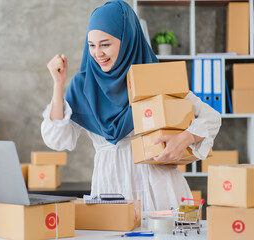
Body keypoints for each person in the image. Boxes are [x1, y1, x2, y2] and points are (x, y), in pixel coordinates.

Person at [41, 0, 221, 212]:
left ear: (127, 40)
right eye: (91, 45)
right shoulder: (83, 85)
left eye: (105, 44)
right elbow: (57, 140)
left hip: (159, 187)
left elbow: (211, 117)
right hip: (109, 189)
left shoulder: (154, 77)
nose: (98, 53)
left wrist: (184, 138)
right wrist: (58, 85)